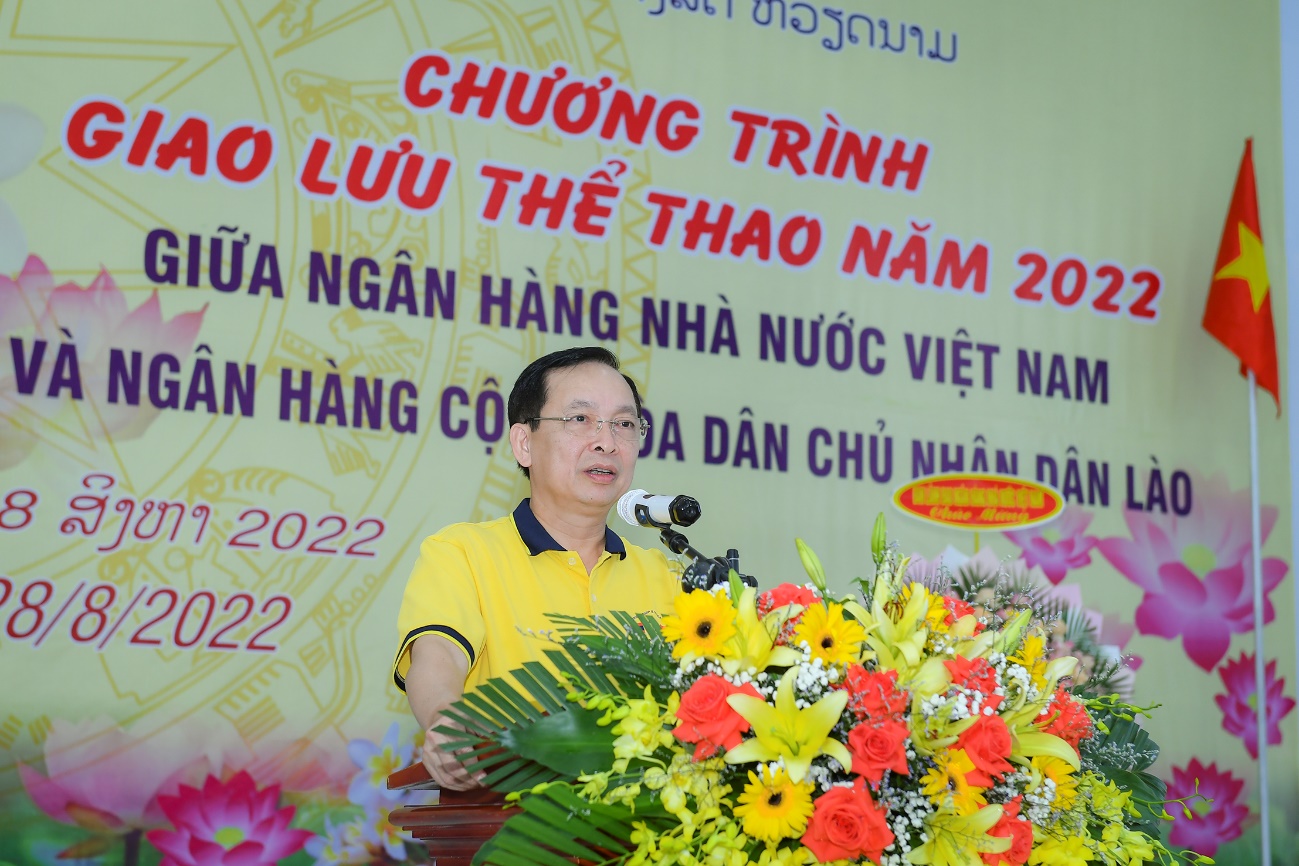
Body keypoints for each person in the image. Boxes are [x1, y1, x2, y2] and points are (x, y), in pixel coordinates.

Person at [393, 347, 680, 789]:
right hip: (512, 813)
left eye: (624, 424)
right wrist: (445, 721)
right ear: (524, 443)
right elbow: (438, 655)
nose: (607, 441)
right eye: (580, 419)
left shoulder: (668, 577)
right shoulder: (464, 552)